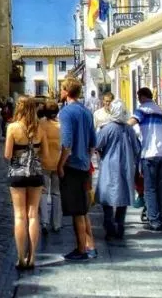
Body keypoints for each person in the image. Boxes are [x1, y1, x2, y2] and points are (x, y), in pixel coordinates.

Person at [5, 96, 48, 270]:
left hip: (17, 173)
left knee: (19, 216)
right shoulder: (40, 128)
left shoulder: (13, 127)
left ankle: (21, 257)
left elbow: (7, 154)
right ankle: (33, 257)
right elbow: (44, 153)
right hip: (36, 173)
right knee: (32, 215)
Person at [58, 77, 97, 261]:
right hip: (84, 165)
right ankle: (91, 245)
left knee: (76, 212)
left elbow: (66, 142)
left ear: (66, 91)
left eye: (61, 89)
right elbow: (92, 143)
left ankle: (81, 249)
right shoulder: (87, 112)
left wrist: (60, 165)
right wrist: (87, 159)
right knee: (83, 209)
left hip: (72, 165)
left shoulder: (66, 112)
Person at [97, 99, 141, 239]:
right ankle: (120, 226)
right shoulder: (129, 129)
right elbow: (137, 148)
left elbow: (97, 145)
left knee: (108, 196)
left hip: (110, 166)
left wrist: (102, 155)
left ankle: (109, 227)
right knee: (122, 196)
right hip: (126, 165)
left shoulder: (107, 128)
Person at [128, 87, 162, 231]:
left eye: (138, 97)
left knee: (150, 188)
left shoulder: (142, 109)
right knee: (160, 188)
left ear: (141, 97)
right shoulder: (160, 110)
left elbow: (130, 124)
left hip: (150, 153)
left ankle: (154, 221)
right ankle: (160, 218)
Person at [39, 100, 62, 235]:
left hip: (43, 161)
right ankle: (57, 223)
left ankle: (44, 222)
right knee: (56, 193)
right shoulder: (61, 125)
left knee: (43, 192)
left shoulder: (41, 124)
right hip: (58, 162)